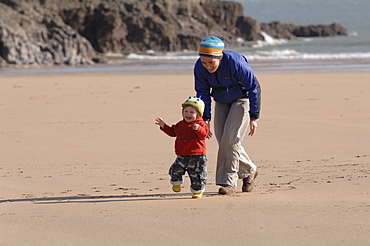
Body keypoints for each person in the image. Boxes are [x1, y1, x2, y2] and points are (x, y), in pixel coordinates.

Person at [194, 36, 261, 195]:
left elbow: (254, 88)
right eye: (204, 62)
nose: (208, 66)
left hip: (241, 99)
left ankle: (229, 183)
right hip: (222, 101)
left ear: (219, 56)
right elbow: (202, 93)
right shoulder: (199, 67)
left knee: (231, 139)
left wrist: (254, 117)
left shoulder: (235, 63)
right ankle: (249, 170)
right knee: (224, 142)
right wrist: (205, 118)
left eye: (211, 62)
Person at [155, 97, 209, 198]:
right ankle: (176, 182)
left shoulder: (200, 124)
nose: (188, 114)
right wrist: (163, 126)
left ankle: (197, 191)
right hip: (182, 154)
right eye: (186, 111)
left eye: (191, 112)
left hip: (197, 155)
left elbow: (204, 134)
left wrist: (198, 129)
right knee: (175, 169)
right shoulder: (180, 124)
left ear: (198, 114)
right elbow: (172, 132)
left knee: (197, 174)